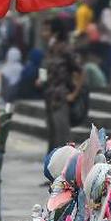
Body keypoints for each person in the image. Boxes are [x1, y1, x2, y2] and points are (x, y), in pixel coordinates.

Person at [39, 17, 83, 152]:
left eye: (46, 30)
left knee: (61, 136)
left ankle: (64, 164)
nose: (43, 33)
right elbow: (46, 68)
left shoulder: (65, 49)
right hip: (49, 96)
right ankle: (52, 164)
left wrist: (74, 93)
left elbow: (79, 71)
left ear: (55, 32)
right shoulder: (50, 48)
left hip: (60, 97)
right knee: (52, 135)